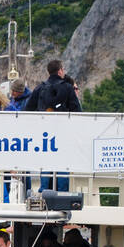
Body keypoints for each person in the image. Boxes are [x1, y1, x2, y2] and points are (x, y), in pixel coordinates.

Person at [31, 59, 81, 192]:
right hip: (63, 133)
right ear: (60, 71)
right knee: (62, 163)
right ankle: (62, 194)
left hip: (44, 134)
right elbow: (77, 111)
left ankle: (44, 192)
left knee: (46, 162)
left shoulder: (40, 88)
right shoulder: (67, 87)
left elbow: (27, 110)